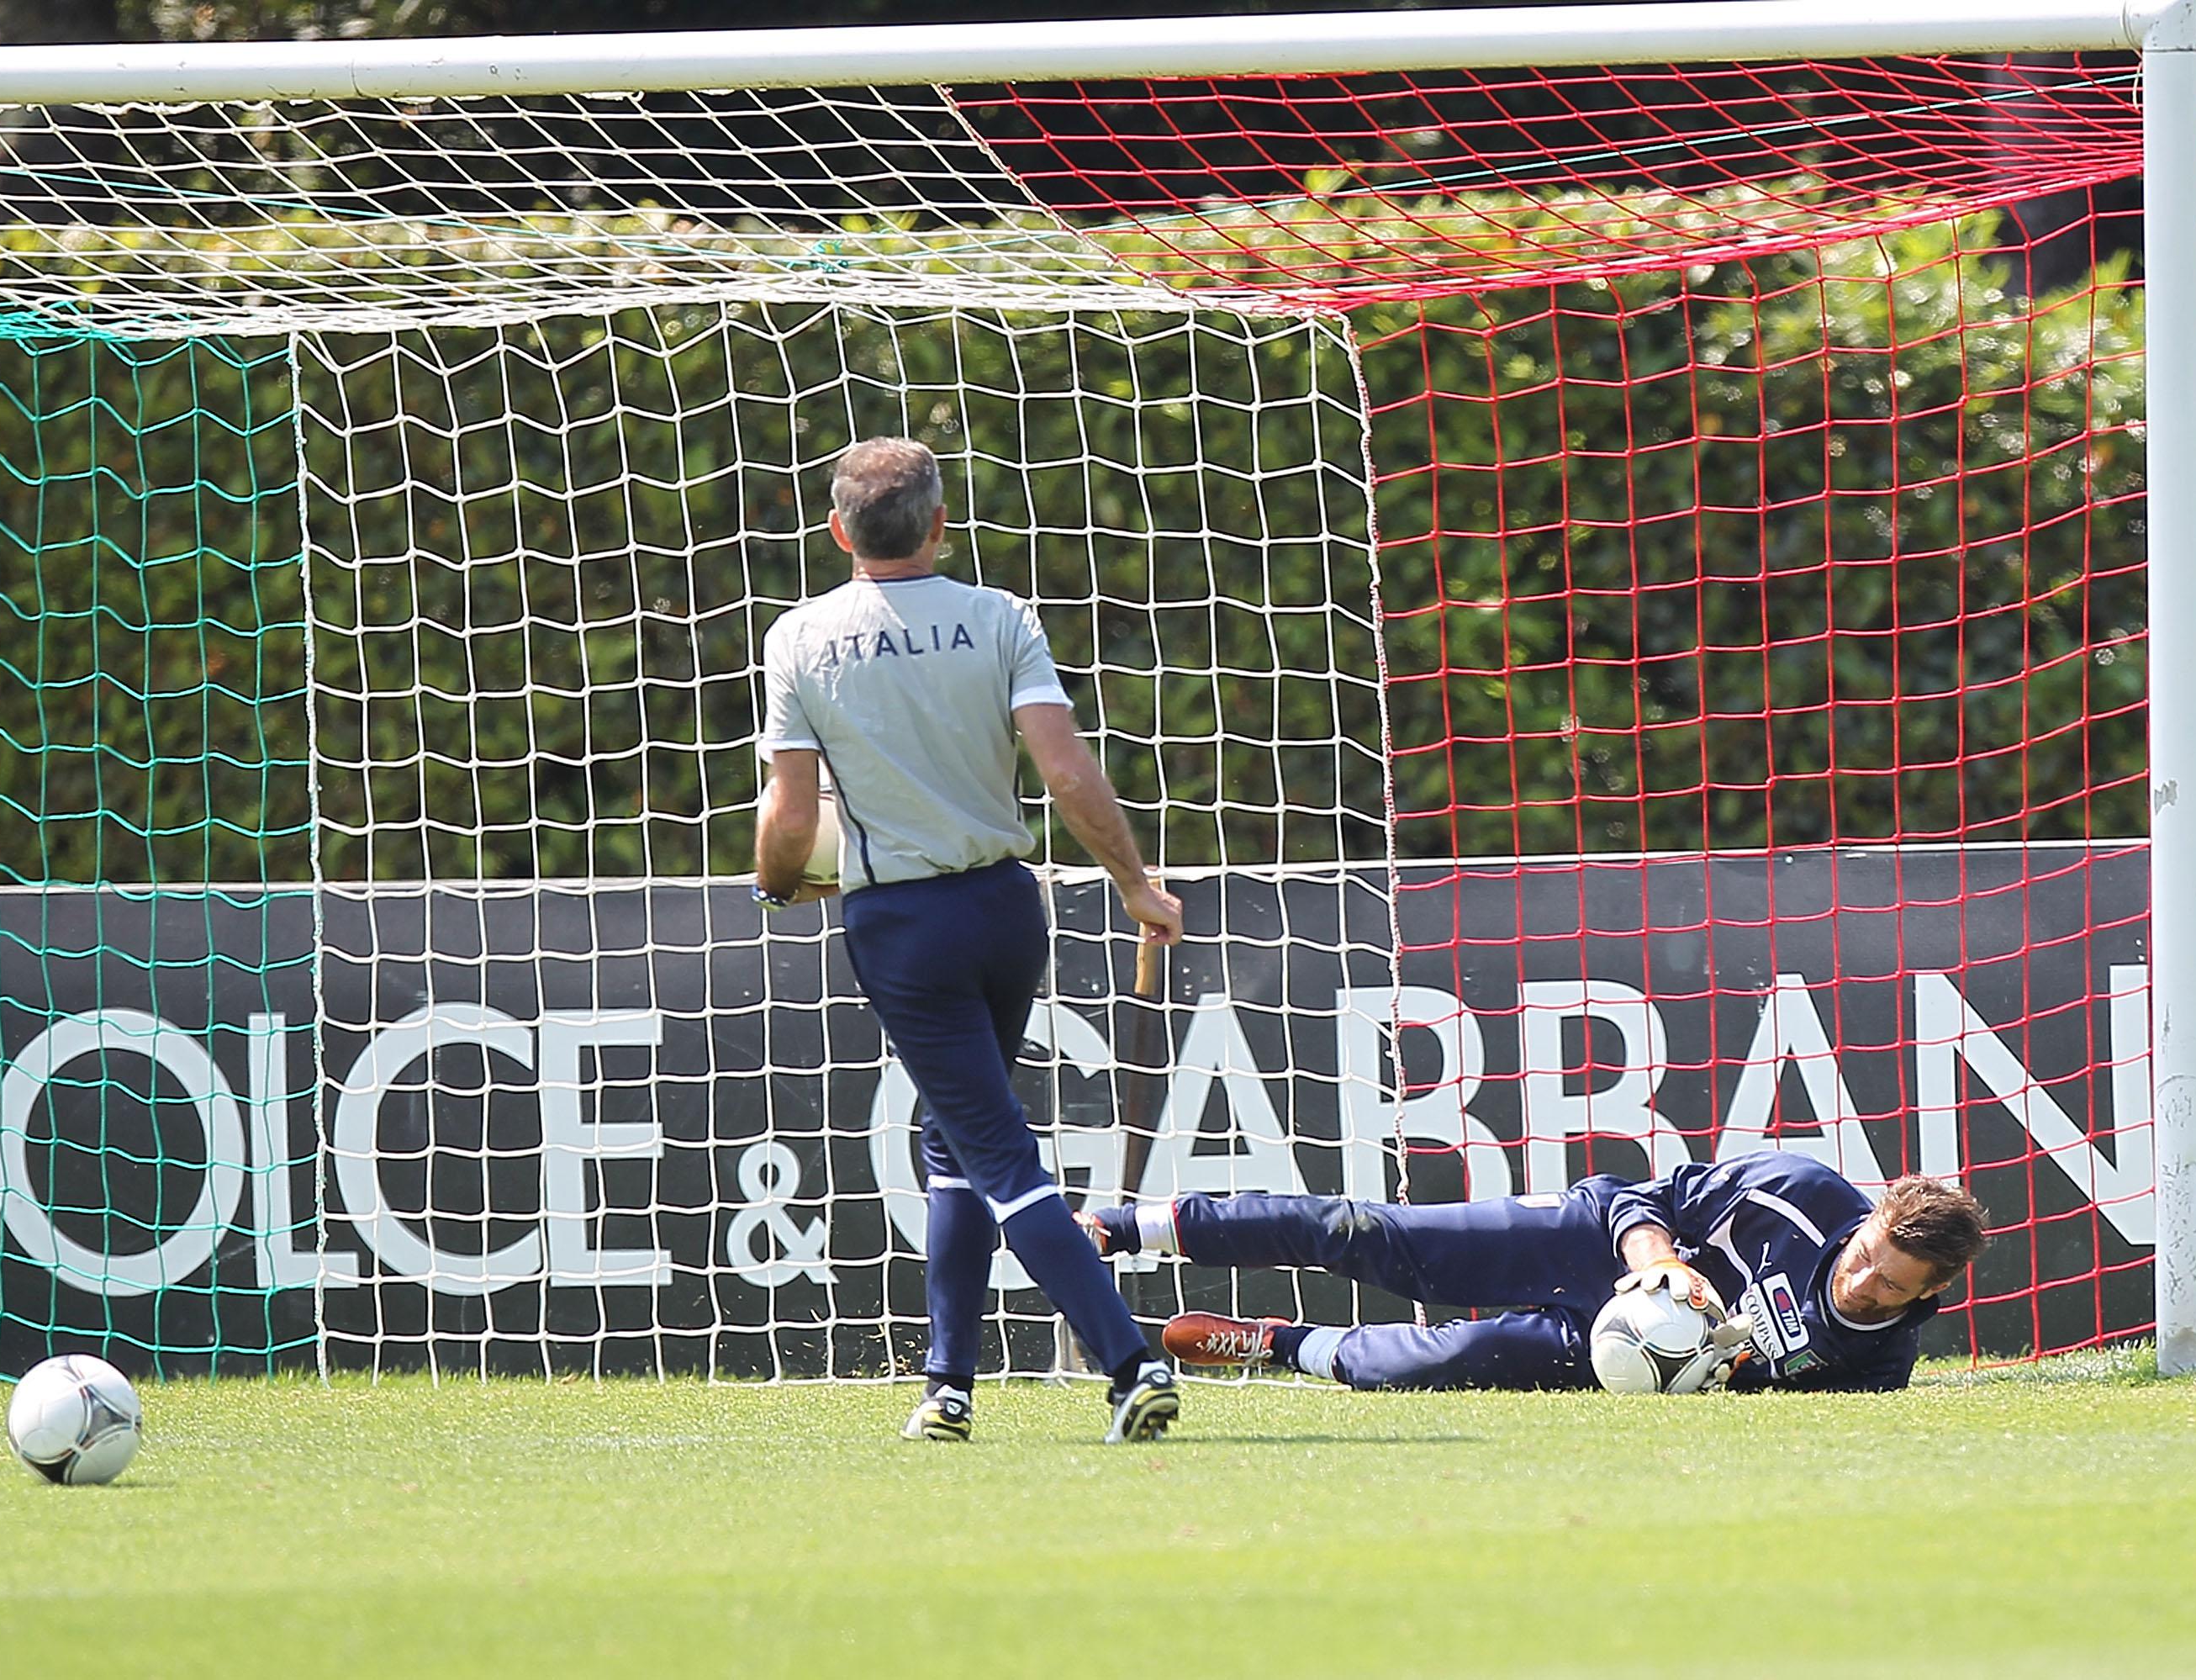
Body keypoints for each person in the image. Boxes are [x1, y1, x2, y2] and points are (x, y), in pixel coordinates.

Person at [754, 436, 1188, 1444]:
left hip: (902, 923)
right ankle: (948, 1384)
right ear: (943, 526)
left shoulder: (801, 637)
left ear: (836, 530)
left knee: (998, 1155)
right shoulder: (999, 618)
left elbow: (789, 813)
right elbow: (1068, 774)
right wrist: (1133, 880)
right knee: (953, 1142)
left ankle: (1129, 1365)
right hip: (1003, 906)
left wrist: (777, 889)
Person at [1083, 1152, 1989, 1394]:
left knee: (1436, 1363)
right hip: (1590, 1241)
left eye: (1891, 1285)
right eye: (1868, 1254)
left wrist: (1698, 1368)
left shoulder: (1878, 1367)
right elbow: (1639, 1196)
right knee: (1375, 1237)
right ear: (1867, 1222)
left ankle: (1275, 1346)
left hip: (1618, 1355)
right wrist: (1661, 1265)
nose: (1863, 1282)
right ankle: (1126, 1228)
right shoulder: (1796, 1192)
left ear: (1926, 1298)